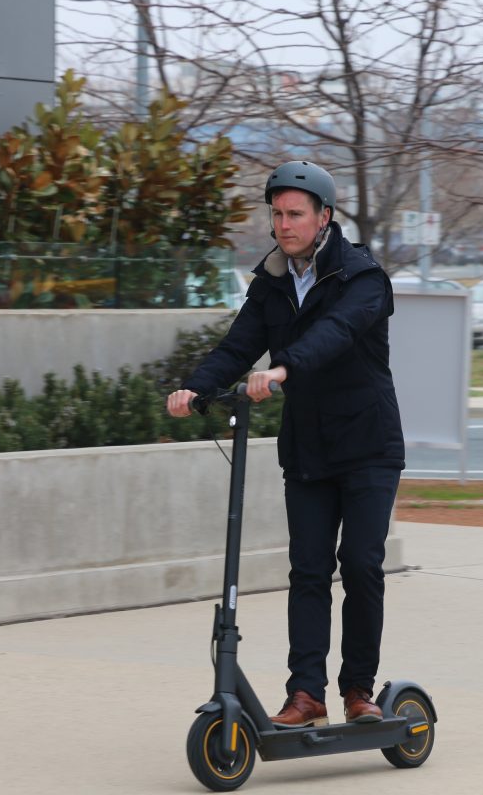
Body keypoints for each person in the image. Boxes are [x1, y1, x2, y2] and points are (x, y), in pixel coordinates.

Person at [166, 160, 404, 728]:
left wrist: (281, 369)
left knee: (362, 565)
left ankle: (358, 691)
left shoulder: (363, 278)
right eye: (276, 214)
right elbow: (237, 344)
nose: (283, 224)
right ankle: (306, 694)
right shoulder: (271, 283)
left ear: (324, 217)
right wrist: (195, 386)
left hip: (368, 444)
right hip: (309, 447)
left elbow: (336, 333)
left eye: (295, 214)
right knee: (308, 569)